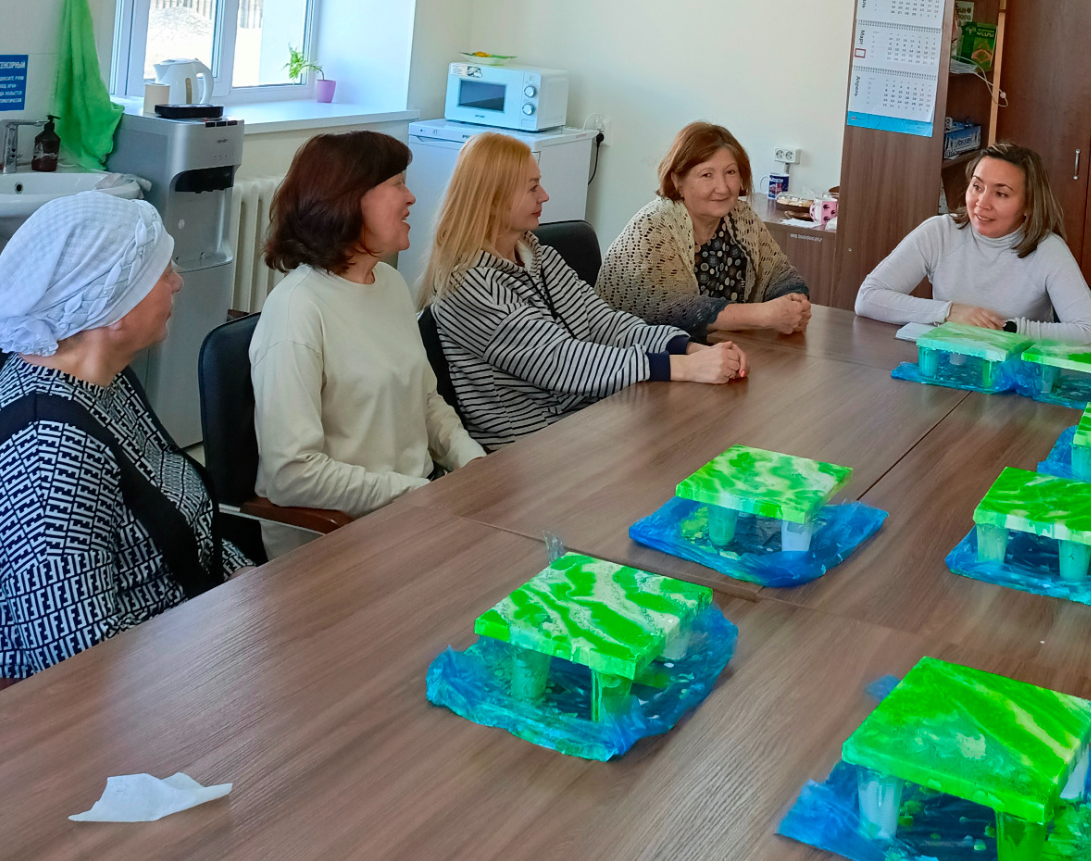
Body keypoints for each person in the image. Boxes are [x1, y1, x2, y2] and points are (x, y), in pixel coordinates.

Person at [0, 192, 249, 681]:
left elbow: (184, 520)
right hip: (73, 712)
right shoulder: (43, 457)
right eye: (163, 272)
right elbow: (84, 667)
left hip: (185, 651)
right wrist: (228, 636)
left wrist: (247, 585)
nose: (177, 282)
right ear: (114, 306)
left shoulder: (101, 380)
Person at [429, 131, 747, 448]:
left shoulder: (540, 257)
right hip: (528, 448)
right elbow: (559, 361)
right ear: (493, 200)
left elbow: (604, 324)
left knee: (704, 433)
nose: (544, 196)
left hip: (585, 418)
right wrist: (680, 366)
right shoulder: (469, 285)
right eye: (532, 187)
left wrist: (685, 348)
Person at [251, 131, 485, 557]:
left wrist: (471, 459)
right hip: (339, 541)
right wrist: (416, 493)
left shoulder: (390, 284)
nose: (411, 197)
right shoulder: (296, 310)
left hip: (411, 509)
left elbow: (424, 398)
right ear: (349, 200)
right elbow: (291, 475)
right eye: (397, 184)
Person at [854, 141, 1091, 346]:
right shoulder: (939, 232)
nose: (981, 203)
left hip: (1015, 377)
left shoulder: (1048, 249)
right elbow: (868, 298)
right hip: (948, 367)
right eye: (977, 186)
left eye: (1001, 193)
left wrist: (1006, 329)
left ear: (1029, 205)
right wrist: (948, 312)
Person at [598, 122, 811, 341]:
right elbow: (672, 312)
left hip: (719, 351)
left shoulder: (741, 217)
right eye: (707, 175)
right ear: (677, 180)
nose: (723, 187)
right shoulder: (652, 226)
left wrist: (795, 304)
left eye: (730, 172)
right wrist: (762, 315)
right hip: (636, 352)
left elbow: (781, 274)